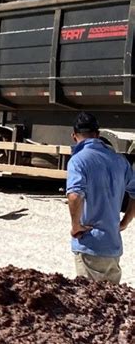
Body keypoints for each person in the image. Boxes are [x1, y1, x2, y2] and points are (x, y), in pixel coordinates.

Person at [66, 112, 135, 283]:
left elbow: (75, 195)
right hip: (113, 246)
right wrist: (124, 222)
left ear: (74, 136)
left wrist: (76, 226)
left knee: (89, 304)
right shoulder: (119, 160)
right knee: (111, 303)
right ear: (97, 135)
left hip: (90, 245)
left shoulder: (78, 160)